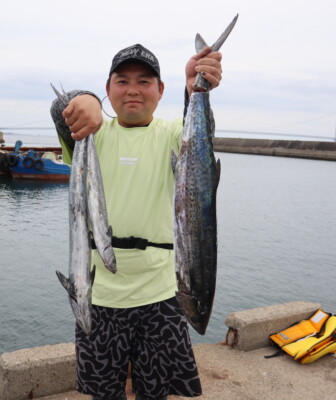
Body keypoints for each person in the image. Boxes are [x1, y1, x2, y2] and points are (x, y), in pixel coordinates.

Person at [50, 43, 223, 400]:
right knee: (102, 392)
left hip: (162, 295)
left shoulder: (173, 133)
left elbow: (200, 140)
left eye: (144, 81)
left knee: (157, 393)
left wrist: (195, 90)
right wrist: (85, 100)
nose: (132, 89)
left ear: (161, 91)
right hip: (98, 295)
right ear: (108, 88)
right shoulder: (89, 132)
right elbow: (60, 109)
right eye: (122, 81)